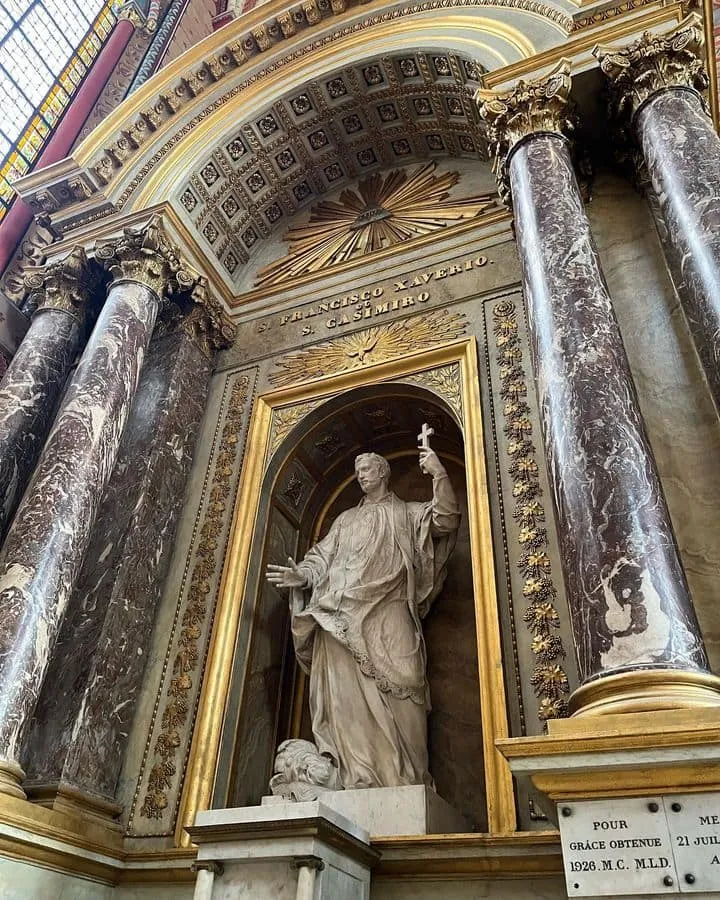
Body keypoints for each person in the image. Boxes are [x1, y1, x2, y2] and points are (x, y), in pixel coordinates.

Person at [265, 447, 460, 790]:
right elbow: (320, 558)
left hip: (390, 611)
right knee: (346, 699)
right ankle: (356, 774)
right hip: (340, 618)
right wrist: (303, 575)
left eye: (367, 469)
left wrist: (438, 473)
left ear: (383, 472)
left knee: (407, 683)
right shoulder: (344, 521)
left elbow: (445, 518)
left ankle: (407, 777)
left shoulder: (407, 513)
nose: (361, 476)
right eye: (358, 471)